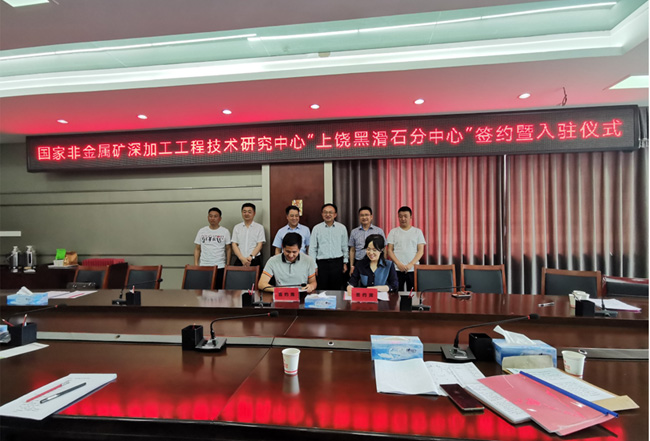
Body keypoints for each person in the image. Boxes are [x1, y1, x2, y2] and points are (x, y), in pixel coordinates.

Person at [309, 203, 349, 290]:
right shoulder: (316, 228)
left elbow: (344, 246)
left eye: (330, 212)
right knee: (322, 289)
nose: (328, 214)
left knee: (337, 289)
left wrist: (345, 262)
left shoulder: (342, 228)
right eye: (325, 212)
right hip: (321, 264)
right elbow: (312, 248)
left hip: (337, 263)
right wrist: (314, 266)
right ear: (322, 214)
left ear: (335, 214)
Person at [386, 206, 426, 291]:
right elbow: (389, 250)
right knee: (396, 292)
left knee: (413, 293)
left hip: (413, 268)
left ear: (411, 217)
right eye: (400, 216)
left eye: (405, 216)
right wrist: (398, 264)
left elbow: (421, 251)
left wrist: (411, 264)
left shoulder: (417, 232)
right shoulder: (393, 232)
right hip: (396, 268)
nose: (403, 219)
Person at [194, 207, 231, 289]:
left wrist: (227, 264)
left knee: (218, 291)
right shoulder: (202, 231)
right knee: (204, 290)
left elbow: (228, 249)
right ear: (208, 217)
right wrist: (196, 264)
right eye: (210, 216)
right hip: (204, 265)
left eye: (215, 216)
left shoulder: (225, 231)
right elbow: (197, 248)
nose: (212, 218)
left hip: (220, 266)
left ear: (220, 218)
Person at [348, 206, 386, 275]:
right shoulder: (354, 232)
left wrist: (383, 263)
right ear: (359, 217)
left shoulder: (379, 231)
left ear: (371, 217)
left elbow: (384, 248)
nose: (364, 217)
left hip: (375, 262)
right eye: (362, 215)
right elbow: (352, 250)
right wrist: (351, 266)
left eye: (366, 215)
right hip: (359, 262)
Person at [231, 203, 265, 267]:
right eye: (244, 212)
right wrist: (241, 258)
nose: (246, 214)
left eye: (249, 212)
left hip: (254, 259)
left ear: (254, 213)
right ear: (242, 213)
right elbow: (234, 244)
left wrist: (250, 257)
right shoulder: (237, 227)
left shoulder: (259, 227)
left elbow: (259, 245)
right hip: (240, 259)